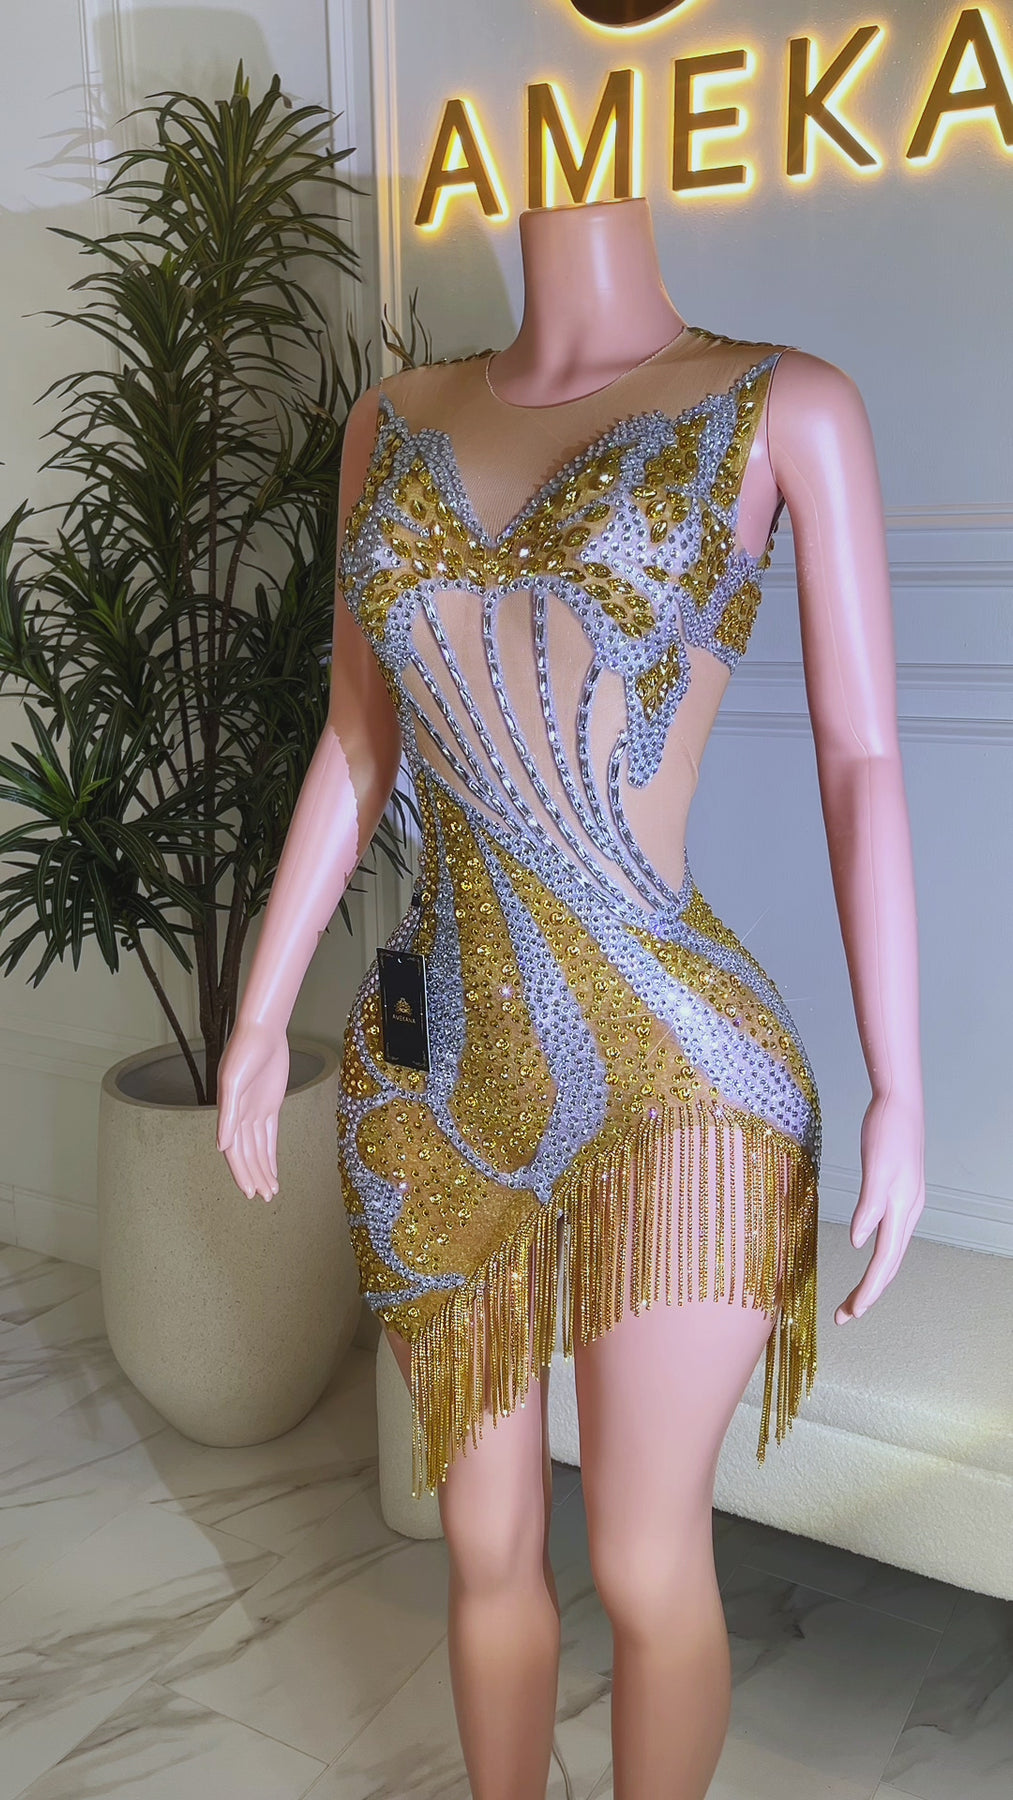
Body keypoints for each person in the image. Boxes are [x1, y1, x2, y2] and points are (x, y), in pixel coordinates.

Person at [217, 196, 925, 1800]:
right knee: (480, 1553)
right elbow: (357, 738)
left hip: (680, 1088)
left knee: (644, 1556)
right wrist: (262, 1017)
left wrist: (901, 1080)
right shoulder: (390, 422)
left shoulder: (783, 404)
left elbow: (862, 755)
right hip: (430, 1078)